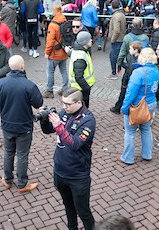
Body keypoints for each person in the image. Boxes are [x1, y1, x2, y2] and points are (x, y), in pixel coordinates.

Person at [40, 88, 96, 230]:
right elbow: (48, 130)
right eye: (63, 103)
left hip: (78, 176)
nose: (65, 107)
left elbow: (75, 144)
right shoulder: (65, 113)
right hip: (60, 172)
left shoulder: (88, 120)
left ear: (79, 102)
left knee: (83, 211)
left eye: (68, 104)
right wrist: (44, 120)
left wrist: (59, 126)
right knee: (68, 208)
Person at [0, 55, 43, 194]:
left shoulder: (0, 84)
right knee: (22, 155)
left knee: (8, 152)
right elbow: (38, 103)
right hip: (24, 126)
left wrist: (4, 106)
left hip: (7, 125)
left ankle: (7, 180)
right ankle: (22, 184)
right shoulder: (29, 85)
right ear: (22, 66)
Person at [119, 48, 159, 165]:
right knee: (146, 129)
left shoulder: (138, 73)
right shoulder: (155, 70)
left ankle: (128, 157)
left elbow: (130, 92)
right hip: (151, 103)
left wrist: (125, 108)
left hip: (138, 105)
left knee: (130, 132)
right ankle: (147, 154)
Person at [44, 5, 69, 99]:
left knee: (50, 71)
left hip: (54, 53)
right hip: (64, 51)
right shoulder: (65, 21)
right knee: (64, 70)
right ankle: (65, 88)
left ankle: (49, 90)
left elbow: (50, 41)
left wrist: (47, 52)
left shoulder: (53, 24)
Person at [69, 31, 95, 107]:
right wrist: (86, 88)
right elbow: (78, 77)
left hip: (80, 87)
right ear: (84, 42)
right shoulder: (80, 56)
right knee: (82, 109)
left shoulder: (79, 50)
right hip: (80, 88)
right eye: (89, 39)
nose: (91, 40)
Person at [108, 0, 126, 79]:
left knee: (114, 57)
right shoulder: (121, 14)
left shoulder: (116, 16)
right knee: (118, 57)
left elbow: (116, 30)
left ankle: (114, 73)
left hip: (117, 40)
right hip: (121, 39)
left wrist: (112, 39)